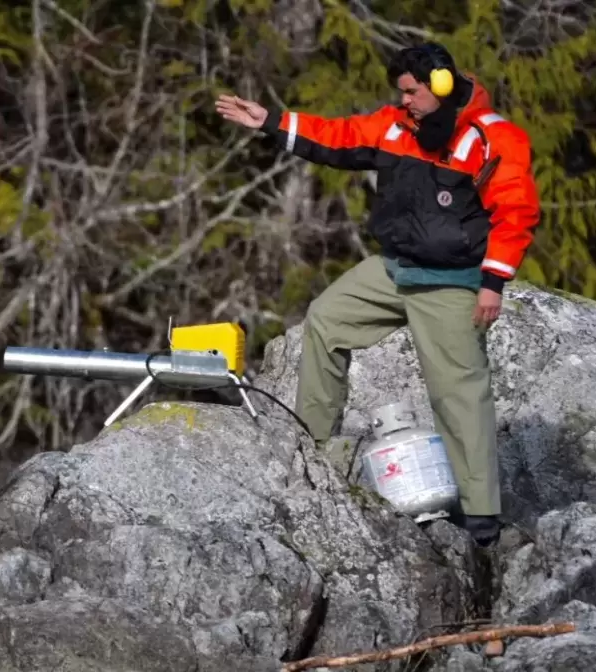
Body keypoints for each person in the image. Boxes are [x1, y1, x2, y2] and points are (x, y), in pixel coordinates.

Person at [214, 42, 541, 546]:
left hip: (451, 281)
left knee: (458, 394)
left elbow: (516, 212)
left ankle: (482, 522)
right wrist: (271, 122)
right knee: (325, 320)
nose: (405, 100)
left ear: (442, 85)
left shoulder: (490, 137)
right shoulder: (395, 126)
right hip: (394, 270)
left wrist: (492, 283)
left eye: (412, 91)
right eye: (401, 92)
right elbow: (337, 137)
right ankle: (316, 454)